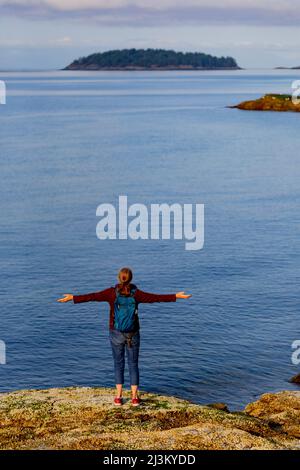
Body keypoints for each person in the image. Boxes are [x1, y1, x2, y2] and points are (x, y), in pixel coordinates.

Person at [57, 267, 191, 406]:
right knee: (133, 364)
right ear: (131, 278)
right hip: (133, 333)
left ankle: (119, 397)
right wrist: (176, 296)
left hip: (116, 333)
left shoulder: (111, 293)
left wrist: (73, 297)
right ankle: (134, 398)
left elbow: (93, 296)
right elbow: (155, 298)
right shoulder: (136, 294)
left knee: (118, 364)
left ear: (119, 278)